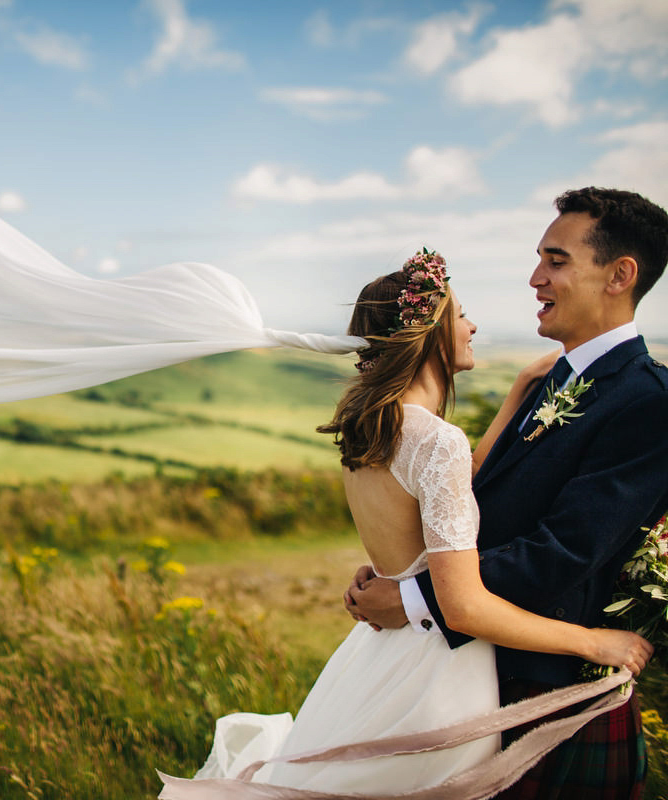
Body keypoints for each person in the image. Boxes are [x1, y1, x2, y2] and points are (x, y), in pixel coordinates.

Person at [158, 247, 653, 799]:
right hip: (438, 671)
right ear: (433, 334)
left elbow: (456, 490)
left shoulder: (375, 427)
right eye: (461, 315)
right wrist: (592, 643)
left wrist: (515, 395)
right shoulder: (436, 441)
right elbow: (463, 605)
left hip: (377, 657)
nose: (472, 325)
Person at [344, 188, 668, 799]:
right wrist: (406, 562)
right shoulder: (554, 379)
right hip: (488, 673)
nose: (534, 277)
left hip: (556, 697)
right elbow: (479, 513)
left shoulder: (648, 401)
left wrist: (413, 595)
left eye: (557, 260)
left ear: (620, 276)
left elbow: (562, 554)